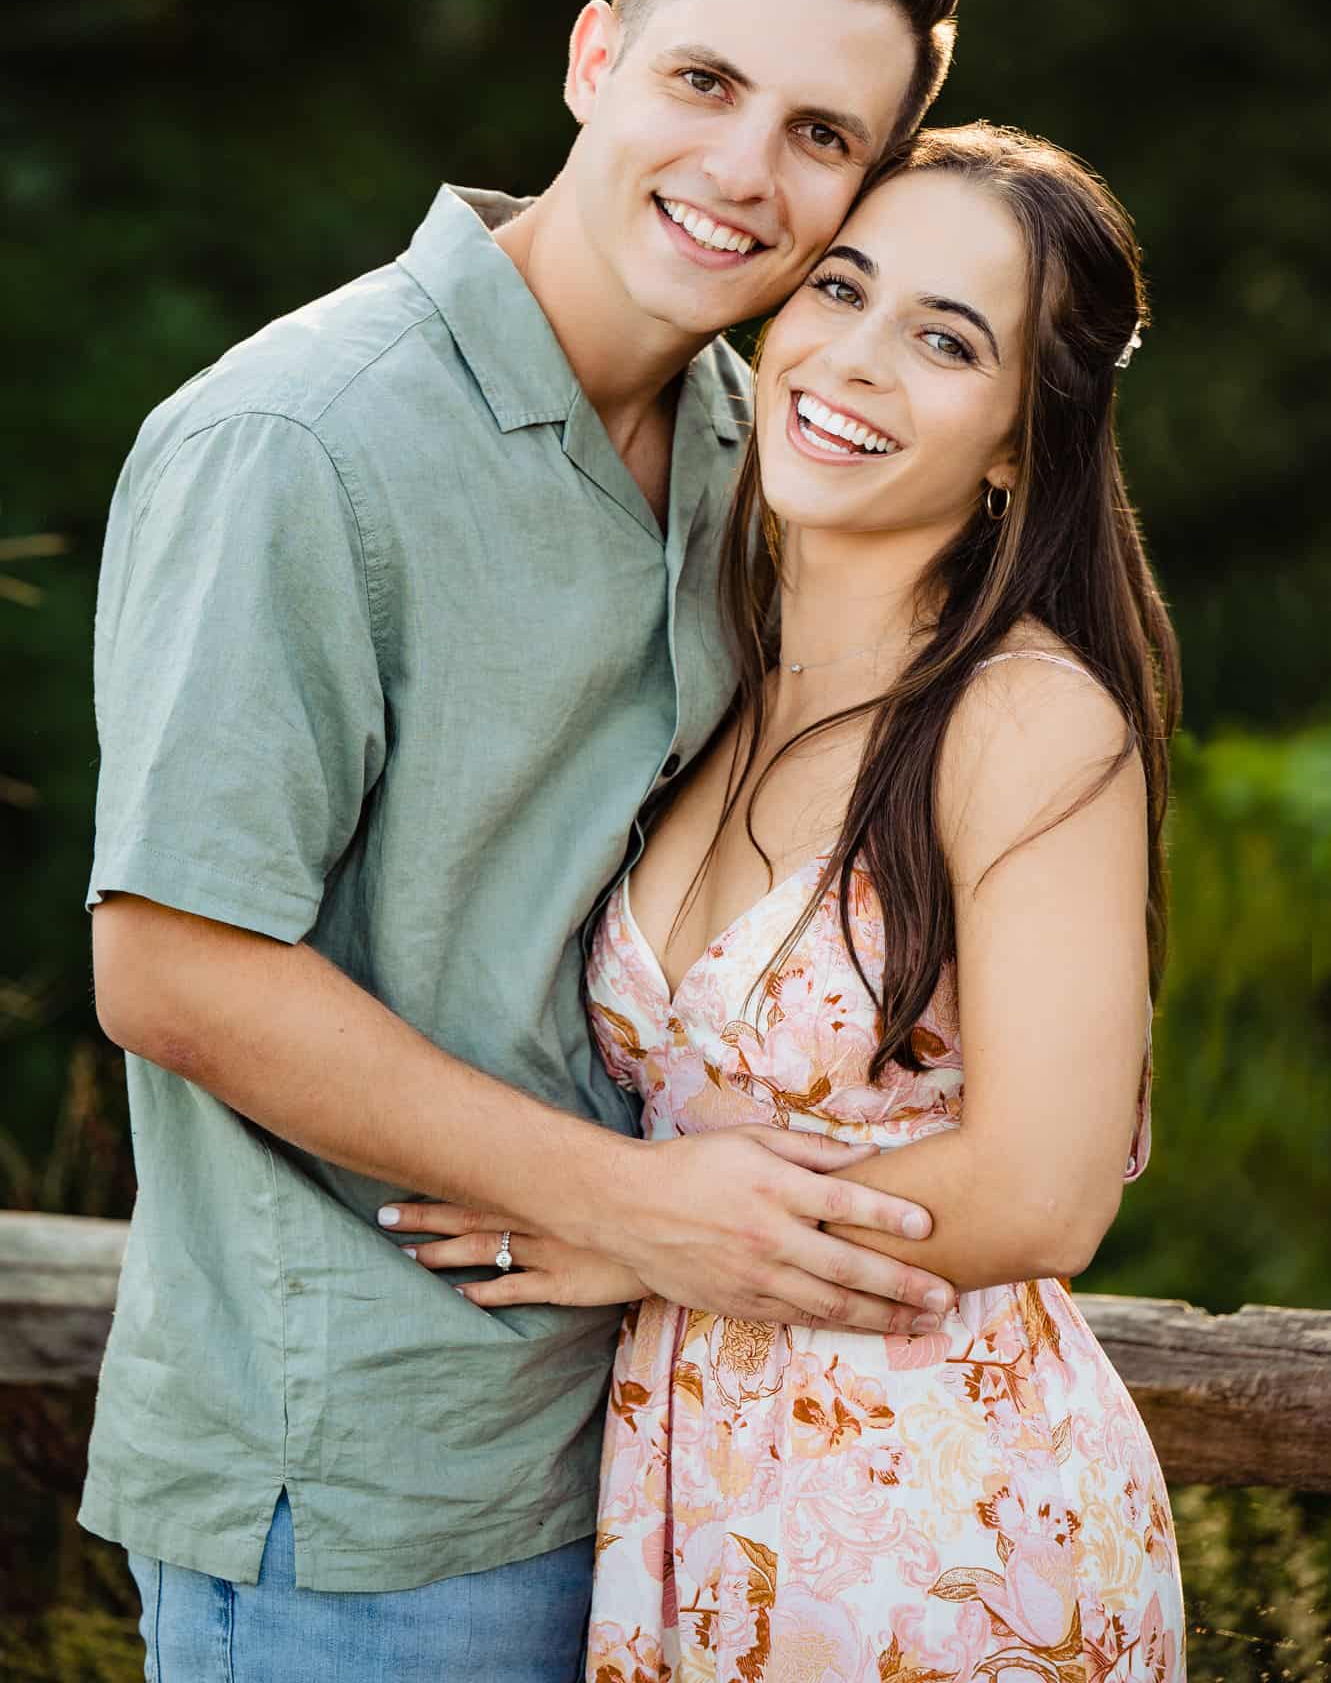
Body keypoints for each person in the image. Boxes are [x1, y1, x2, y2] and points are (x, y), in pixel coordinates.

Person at [81, 0, 965, 1680]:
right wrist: (631, 1202)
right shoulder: (298, 444)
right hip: (367, 1493)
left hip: (675, 1462)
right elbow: (168, 966)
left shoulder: (762, 456)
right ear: (592, 61)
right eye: (702, 84)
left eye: (820, 133)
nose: (742, 170)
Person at [388, 124, 1188, 1681]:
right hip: (690, 1502)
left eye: (948, 340)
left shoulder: (1022, 716)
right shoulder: (708, 679)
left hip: (941, 1533)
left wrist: (637, 1239)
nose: (858, 360)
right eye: (842, 288)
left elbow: (1048, 1187)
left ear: (1024, 435)